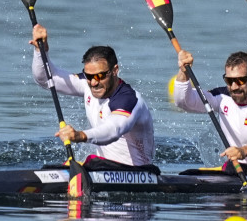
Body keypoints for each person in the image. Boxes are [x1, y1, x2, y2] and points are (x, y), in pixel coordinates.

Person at [30, 24, 155, 167]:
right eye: (89, 76)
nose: (94, 82)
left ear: (115, 70)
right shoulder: (87, 83)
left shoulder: (128, 99)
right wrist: (41, 51)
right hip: (102, 168)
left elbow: (114, 130)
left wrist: (80, 135)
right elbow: (46, 79)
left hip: (137, 173)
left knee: (92, 162)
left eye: (100, 75)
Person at [174, 50, 247, 171]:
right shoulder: (222, 97)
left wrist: (242, 151)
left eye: (240, 81)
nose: (234, 87)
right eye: (229, 81)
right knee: (189, 173)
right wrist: (183, 73)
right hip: (235, 169)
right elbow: (184, 102)